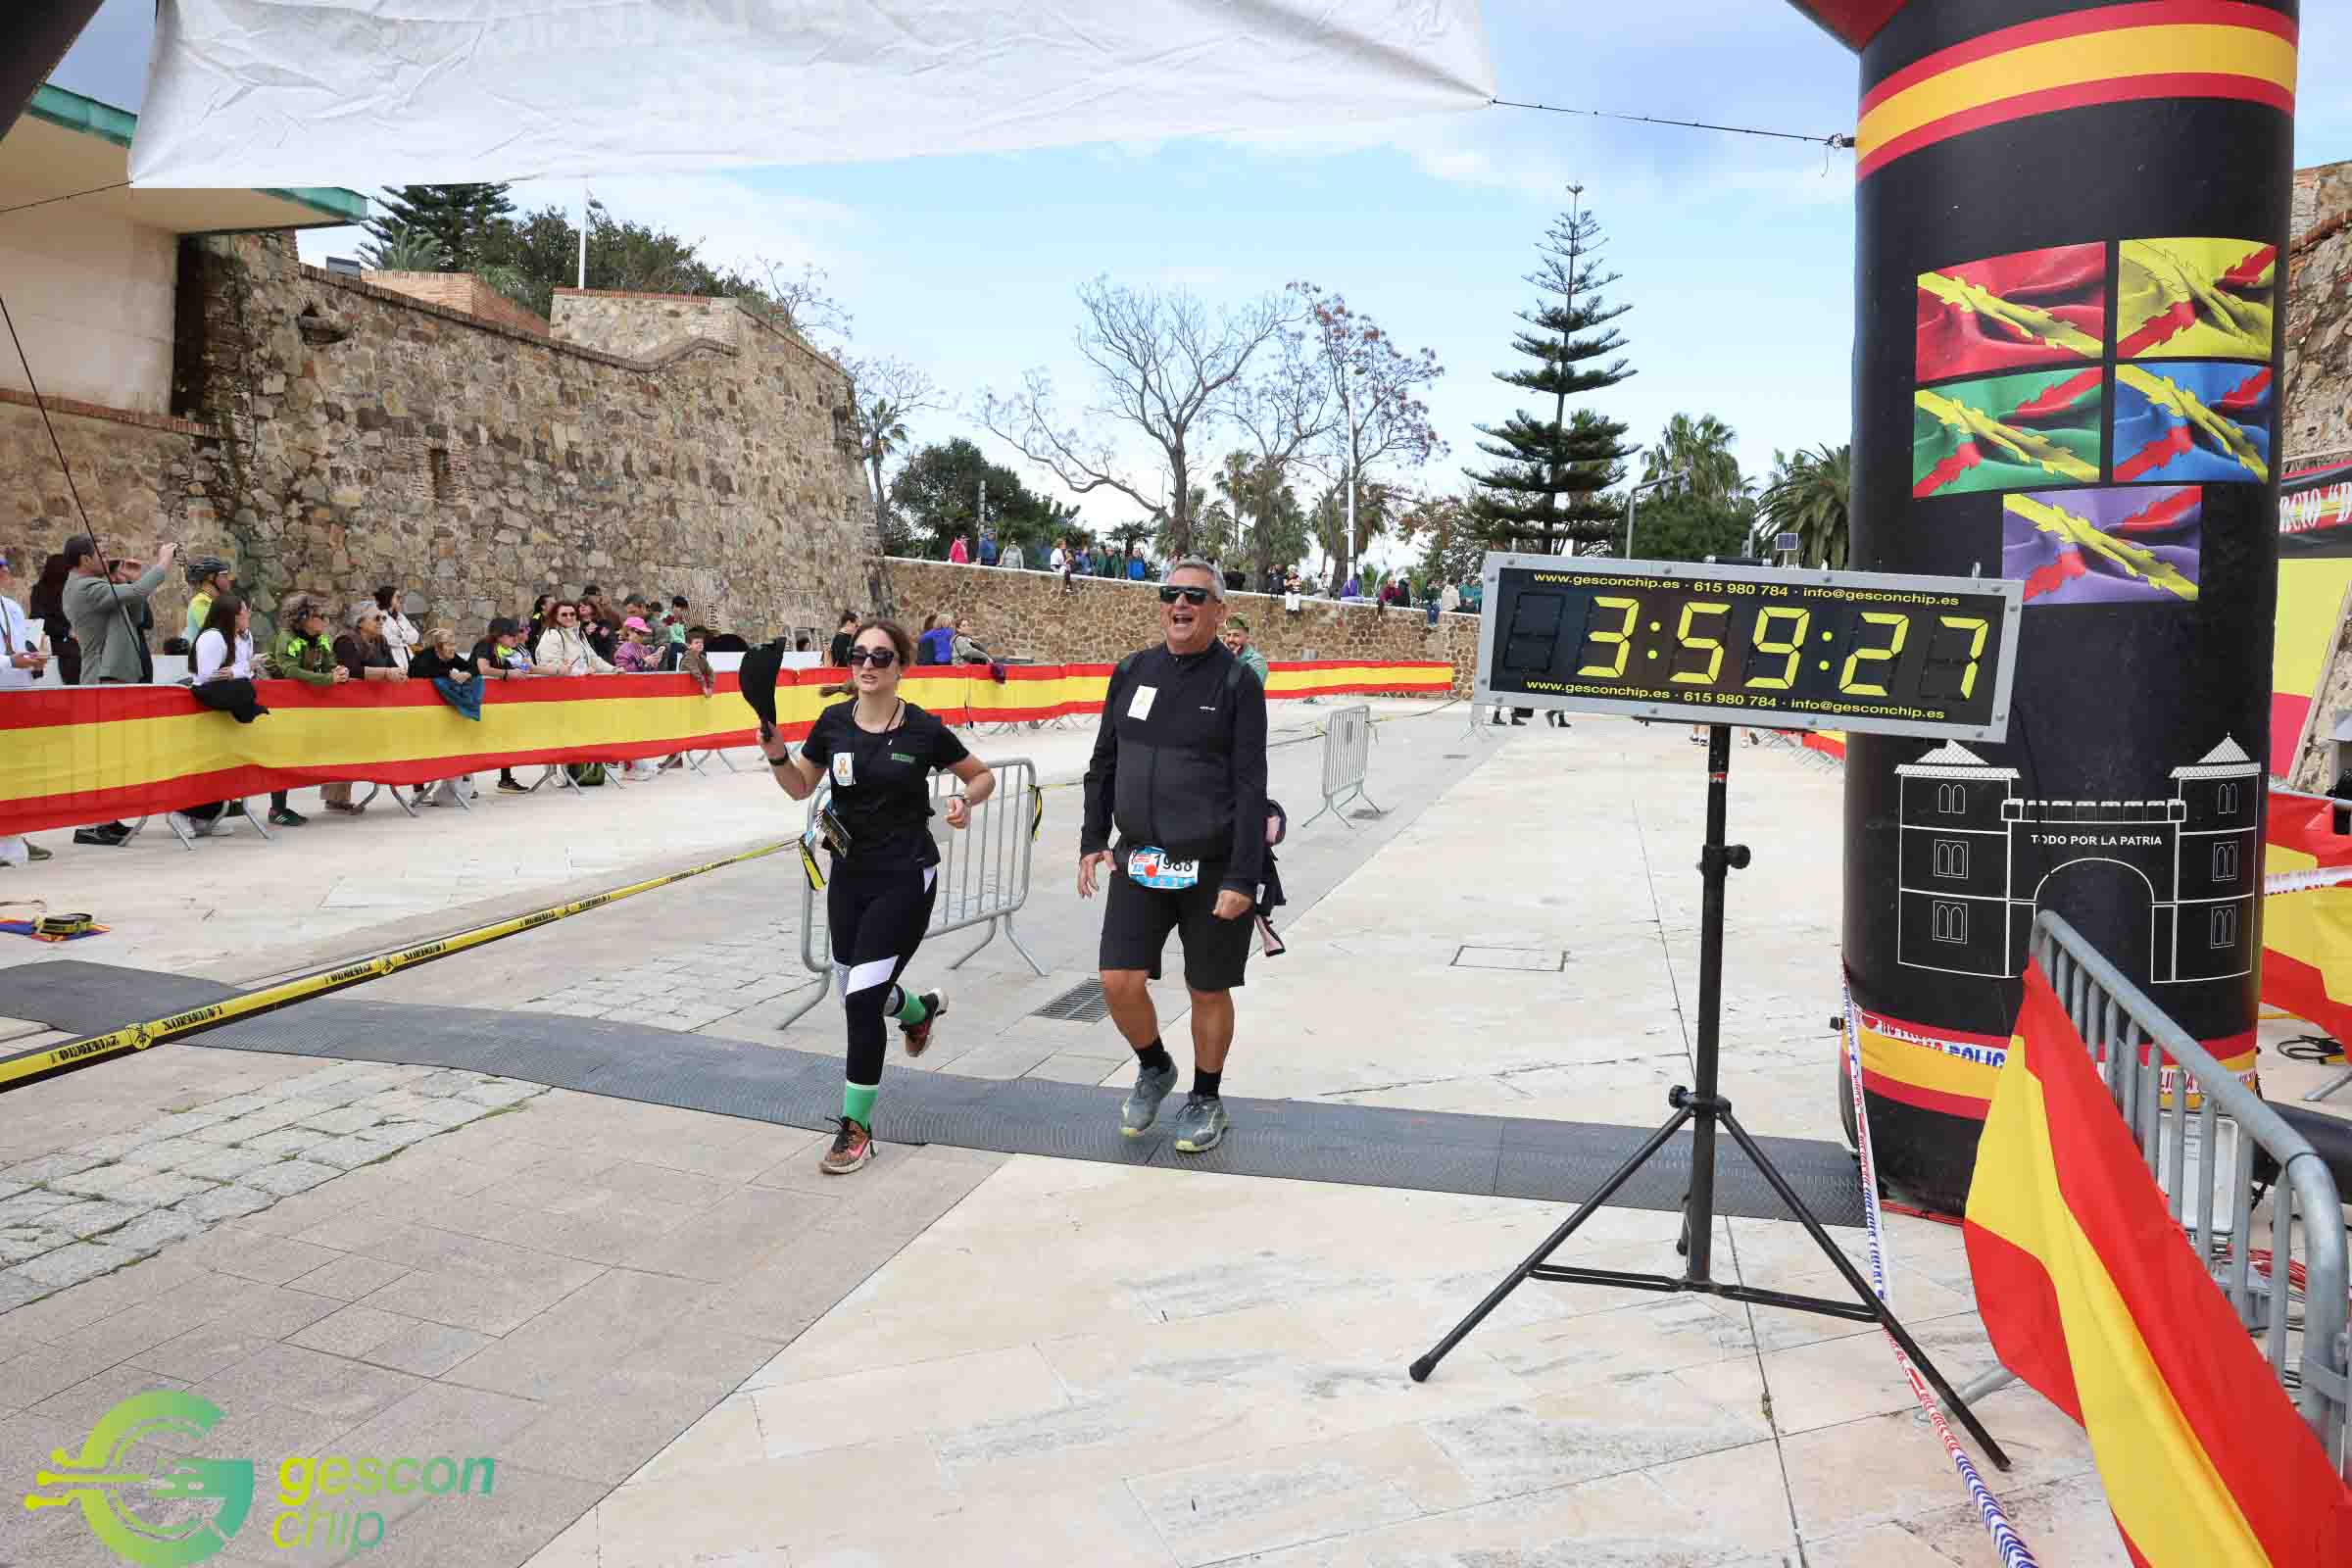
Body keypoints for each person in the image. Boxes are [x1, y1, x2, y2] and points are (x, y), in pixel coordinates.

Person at [758, 617, 996, 1174]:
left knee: (862, 1001)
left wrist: (965, 801)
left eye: (881, 656)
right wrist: (776, 754)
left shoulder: (923, 729)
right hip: (849, 877)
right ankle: (919, 1011)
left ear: (901, 667)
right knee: (855, 988)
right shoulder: (833, 723)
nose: (867, 664)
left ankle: (856, 1128)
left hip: (905, 877)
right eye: (858, 655)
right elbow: (799, 786)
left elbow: (981, 775)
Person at [1079, 558, 1267, 1154]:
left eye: (1195, 596)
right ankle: (1155, 1065)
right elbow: (1104, 761)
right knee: (1118, 979)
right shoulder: (1132, 671)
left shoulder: (1237, 683)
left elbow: (1250, 786)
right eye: (1171, 594)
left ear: (1218, 610)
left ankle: (1206, 1097)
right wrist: (1092, 838)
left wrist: (1243, 876)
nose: (1180, 604)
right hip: (1139, 859)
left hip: (1212, 866)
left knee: (1206, 989)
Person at [63, 536, 176, 845]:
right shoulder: (85, 588)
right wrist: (162, 563)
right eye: (101, 553)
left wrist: (128, 582)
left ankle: (107, 819)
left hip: (115, 678)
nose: (108, 558)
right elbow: (138, 593)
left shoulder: (101, 586)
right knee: (101, 755)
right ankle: (91, 825)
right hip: (102, 679)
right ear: (85, 559)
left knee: (113, 754)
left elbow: (136, 615)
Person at [190, 592, 302, 828]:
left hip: (233, 690)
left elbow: (241, 669)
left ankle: (213, 814)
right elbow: (208, 675)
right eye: (244, 611)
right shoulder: (212, 637)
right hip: (210, 694)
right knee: (244, 690)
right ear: (232, 616)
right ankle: (192, 815)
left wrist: (240, 669)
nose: (248, 615)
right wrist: (241, 670)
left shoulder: (244, 636)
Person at [0, 551, 51, 866]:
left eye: (4, 567)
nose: (4, 572)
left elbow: (19, 648)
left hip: (17, 696)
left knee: (17, 772)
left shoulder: (12, 608)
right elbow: (9, 657)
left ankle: (14, 835)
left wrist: (34, 662)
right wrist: (10, 662)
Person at [472, 616, 542, 793]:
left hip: (500, 701)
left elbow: (528, 668)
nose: (515, 637)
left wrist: (557, 671)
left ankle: (505, 779)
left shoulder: (510, 649)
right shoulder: (485, 645)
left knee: (505, 737)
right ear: (499, 635)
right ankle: (466, 783)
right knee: (473, 739)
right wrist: (507, 674)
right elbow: (483, 668)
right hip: (477, 697)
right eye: (511, 634)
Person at [28, 554, 77, 688]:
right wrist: (67, 631)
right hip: (54, 642)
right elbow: (39, 619)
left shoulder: (69, 590)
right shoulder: (40, 590)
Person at [536, 601, 616, 674]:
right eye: (564, 614)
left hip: (581, 681)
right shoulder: (552, 634)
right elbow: (549, 665)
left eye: (572, 614)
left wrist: (613, 669)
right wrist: (582, 671)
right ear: (555, 616)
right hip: (561, 683)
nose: (569, 617)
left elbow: (593, 659)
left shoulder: (578, 632)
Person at [182, 556, 234, 645]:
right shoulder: (201, 602)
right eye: (224, 575)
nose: (229, 579)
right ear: (211, 577)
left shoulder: (213, 600)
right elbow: (217, 633)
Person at [374, 586, 419, 671]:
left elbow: (415, 636)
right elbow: (387, 639)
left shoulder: (400, 616)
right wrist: (406, 638)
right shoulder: (380, 616)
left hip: (408, 656)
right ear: (388, 598)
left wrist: (401, 635)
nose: (400, 600)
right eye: (397, 597)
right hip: (392, 658)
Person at [1221, 615, 1269, 686]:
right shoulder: (1223, 658)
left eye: (1236, 635)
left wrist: (1234, 661)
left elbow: (1250, 689)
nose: (1231, 639)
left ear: (1247, 636)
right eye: (1228, 635)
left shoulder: (1257, 661)